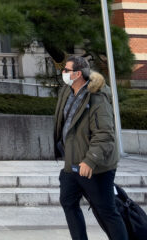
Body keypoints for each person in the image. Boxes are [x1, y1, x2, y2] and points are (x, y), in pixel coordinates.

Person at [54, 54, 128, 240]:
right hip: (72, 163)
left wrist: (90, 160)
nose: (63, 73)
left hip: (96, 167)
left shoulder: (97, 97)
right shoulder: (67, 92)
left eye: (66, 70)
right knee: (68, 202)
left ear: (78, 73)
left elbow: (105, 134)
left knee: (106, 211)